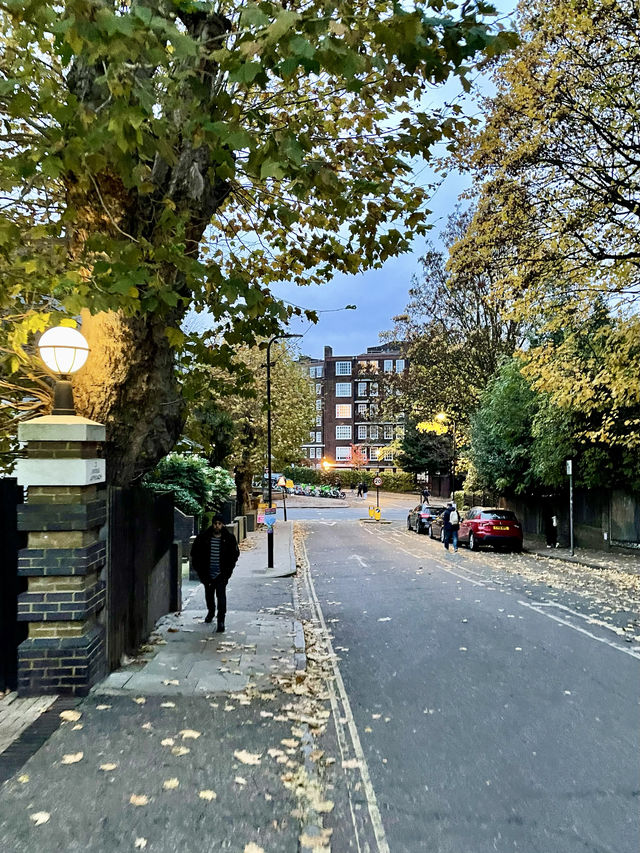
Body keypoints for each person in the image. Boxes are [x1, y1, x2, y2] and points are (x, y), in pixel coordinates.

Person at [191, 514, 240, 633]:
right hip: (207, 573)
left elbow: (234, 555)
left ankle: (221, 620)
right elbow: (195, 554)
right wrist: (200, 571)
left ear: (222, 524)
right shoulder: (203, 538)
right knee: (209, 595)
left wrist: (228, 572)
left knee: (221, 596)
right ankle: (211, 612)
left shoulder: (229, 538)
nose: (217, 526)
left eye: (219, 523)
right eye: (215, 523)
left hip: (221, 574)